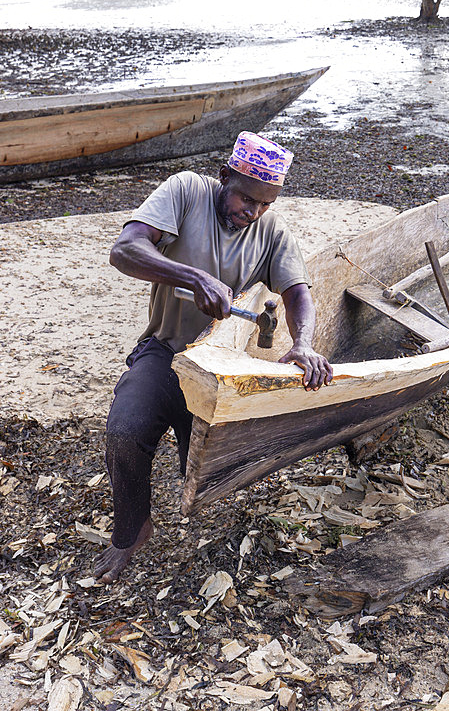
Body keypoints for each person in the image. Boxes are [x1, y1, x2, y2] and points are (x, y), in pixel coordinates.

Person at [94, 131, 333, 583]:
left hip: (220, 370)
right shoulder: (186, 191)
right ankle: (131, 530)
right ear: (224, 177)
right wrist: (192, 276)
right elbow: (125, 250)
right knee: (125, 433)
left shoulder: (270, 231)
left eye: (266, 203)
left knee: (201, 473)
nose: (254, 211)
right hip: (165, 350)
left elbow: (299, 294)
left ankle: (194, 490)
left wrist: (301, 343)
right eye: (247, 198)